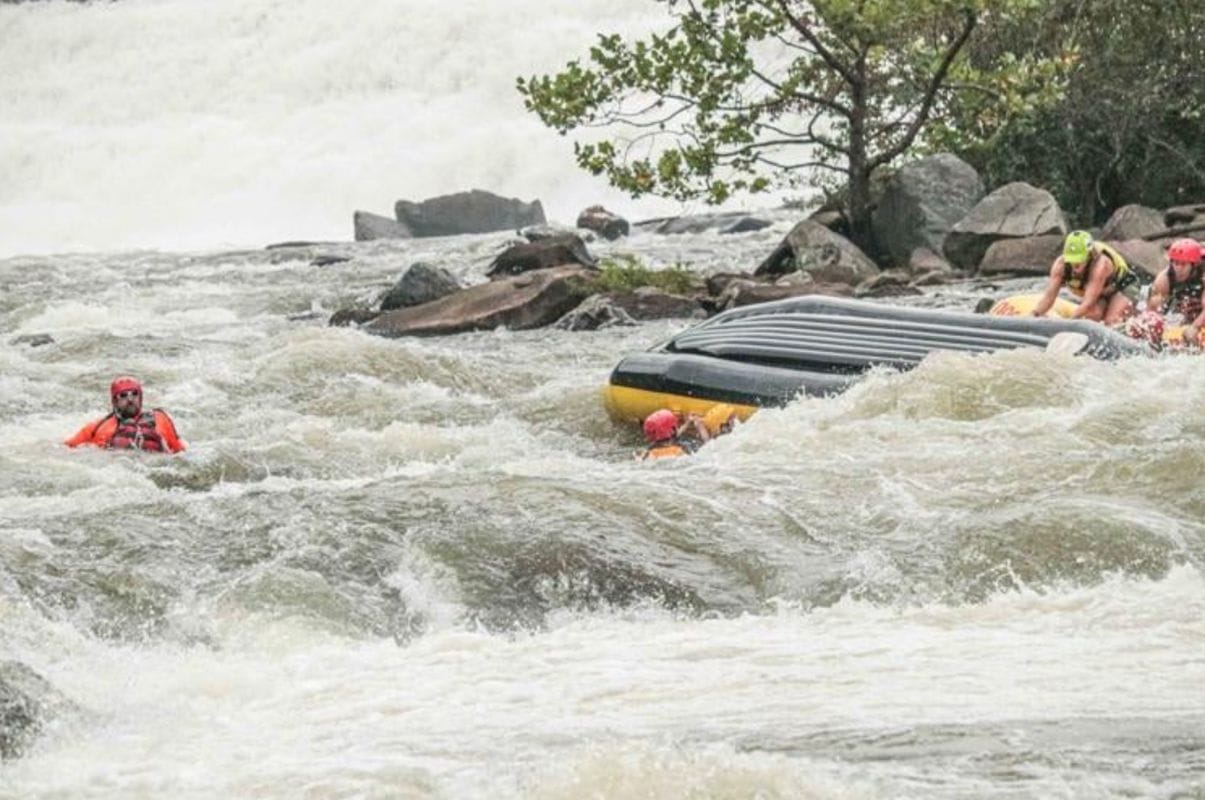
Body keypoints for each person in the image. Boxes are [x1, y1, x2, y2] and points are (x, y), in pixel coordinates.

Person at [1031, 230, 1139, 325]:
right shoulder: (1060, 265)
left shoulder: (1101, 265)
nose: (1075, 264)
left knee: (1111, 321)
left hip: (1124, 286)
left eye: (1079, 259)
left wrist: (1067, 325)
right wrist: (1034, 315)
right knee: (1093, 316)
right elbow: (1049, 297)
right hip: (1101, 292)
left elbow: (1087, 304)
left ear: (1090, 254)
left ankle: (1135, 321)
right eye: (1071, 259)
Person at [65, 375, 186, 453]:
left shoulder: (161, 419)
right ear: (114, 401)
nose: (130, 399)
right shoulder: (97, 427)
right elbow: (67, 448)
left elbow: (179, 451)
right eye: (123, 395)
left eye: (134, 393)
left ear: (141, 397)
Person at [1145, 238, 1204, 346]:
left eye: (1183, 264)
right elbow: (1151, 311)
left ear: (1194, 265)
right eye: (1175, 263)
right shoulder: (1164, 279)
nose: (1178, 269)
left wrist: (1194, 327)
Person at [637, 404, 740, 460]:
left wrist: (688, 422)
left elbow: (673, 435)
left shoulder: (648, 452)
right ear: (672, 429)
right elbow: (708, 446)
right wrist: (700, 426)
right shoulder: (680, 451)